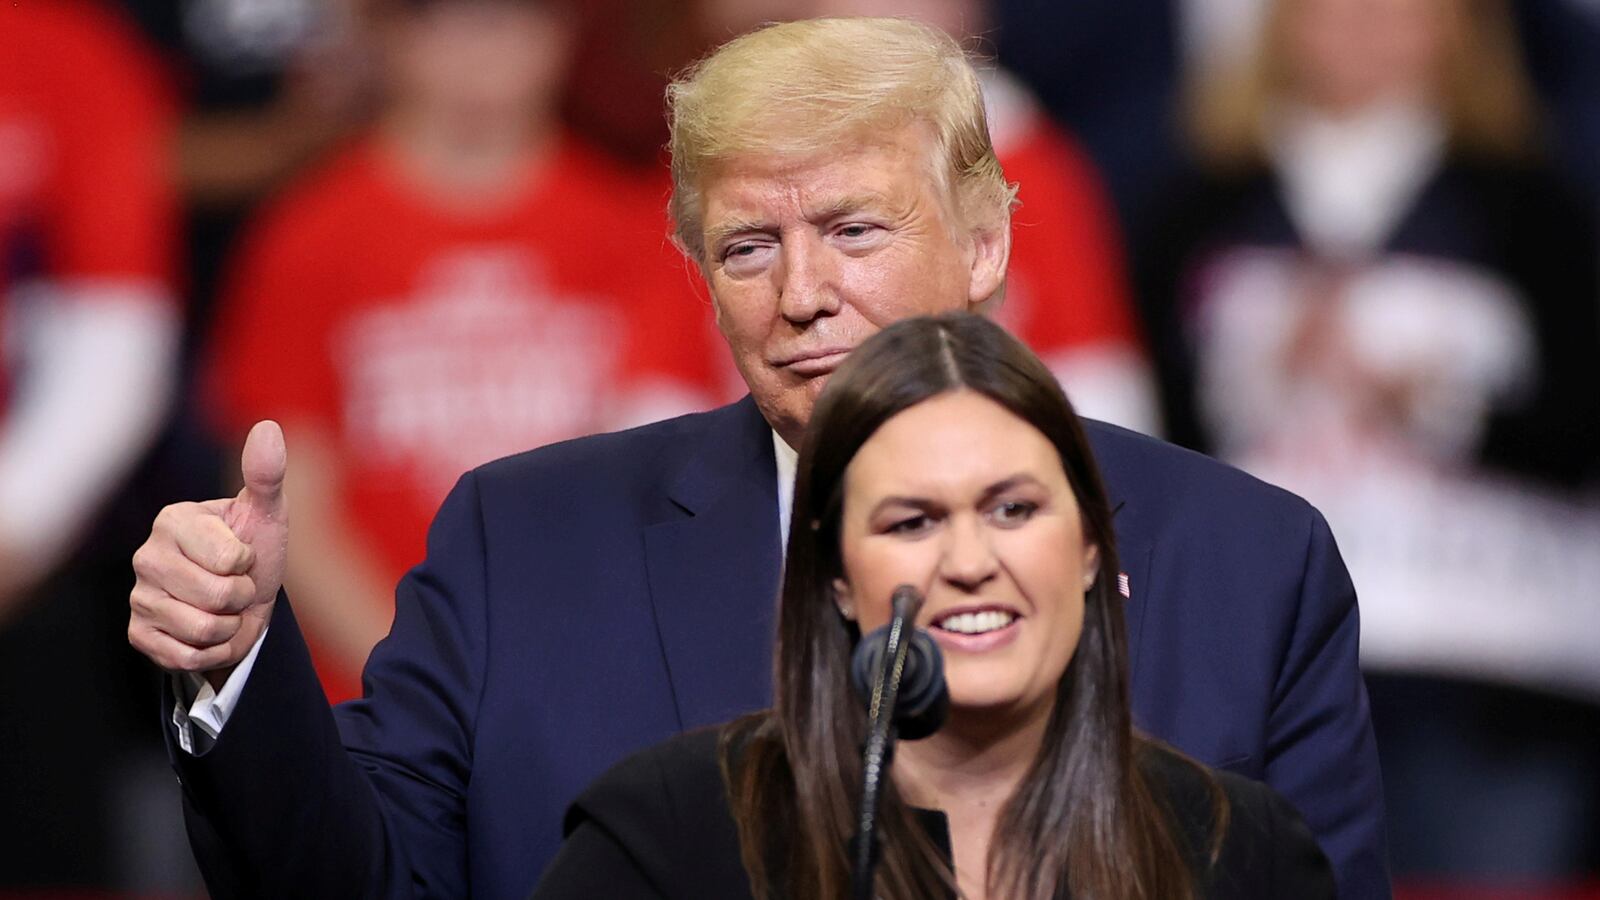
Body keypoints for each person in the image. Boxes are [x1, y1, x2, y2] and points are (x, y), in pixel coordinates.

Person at [127, 17, 1389, 899]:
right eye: (746, 249)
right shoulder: (525, 542)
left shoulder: (1243, 559)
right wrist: (238, 661)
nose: (802, 295)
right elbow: (362, 882)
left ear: (988, 241)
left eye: (853, 229)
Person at [534, 313, 1337, 899]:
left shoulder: (1238, 848)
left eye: (1013, 510)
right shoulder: (672, 832)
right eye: (911, 522)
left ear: (1091, 548)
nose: (969, 563)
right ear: (838, 576)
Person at [1137, 0, 1600, 883]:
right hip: (1258, 663)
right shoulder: (1197, 204)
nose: (1364, 28)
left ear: (1460, 33)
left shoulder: (1538, 204)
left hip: (1491, 676)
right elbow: (1145, 433)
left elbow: (1576, 431)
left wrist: (1429, 398)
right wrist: (1263, 374)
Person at [203, 0, 722, 702]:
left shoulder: (641, 230)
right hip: (372, 698)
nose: (481, 47)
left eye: (515, 17)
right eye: (442, 18)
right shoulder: (309, 236)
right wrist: (416, 675)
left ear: (564, 32)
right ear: (384, 34)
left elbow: (655, 480)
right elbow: (291, 502)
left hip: (587, 677)